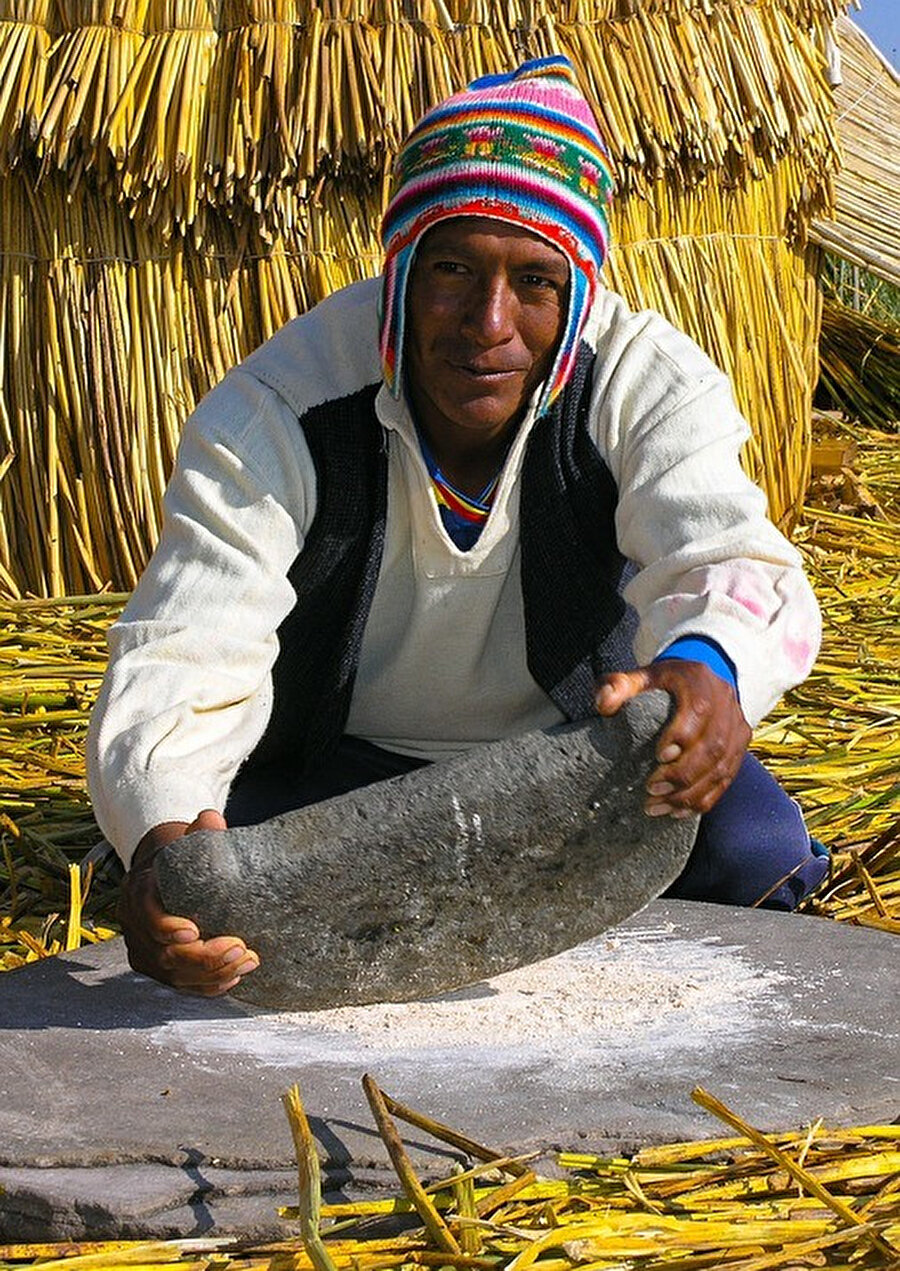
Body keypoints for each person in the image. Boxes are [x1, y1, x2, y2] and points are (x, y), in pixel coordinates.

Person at [87, 55, 828, 998]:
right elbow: (188, 644)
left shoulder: (642, 380)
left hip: (572, 769)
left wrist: (711, 670)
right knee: (204, 881)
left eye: (533, 280)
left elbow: (731, 561)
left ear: (580, 288)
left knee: (755, 853)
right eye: (451, 269)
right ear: (399, 268)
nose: (488, 322)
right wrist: (160, 836)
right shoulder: (281, 407)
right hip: (333, 779)